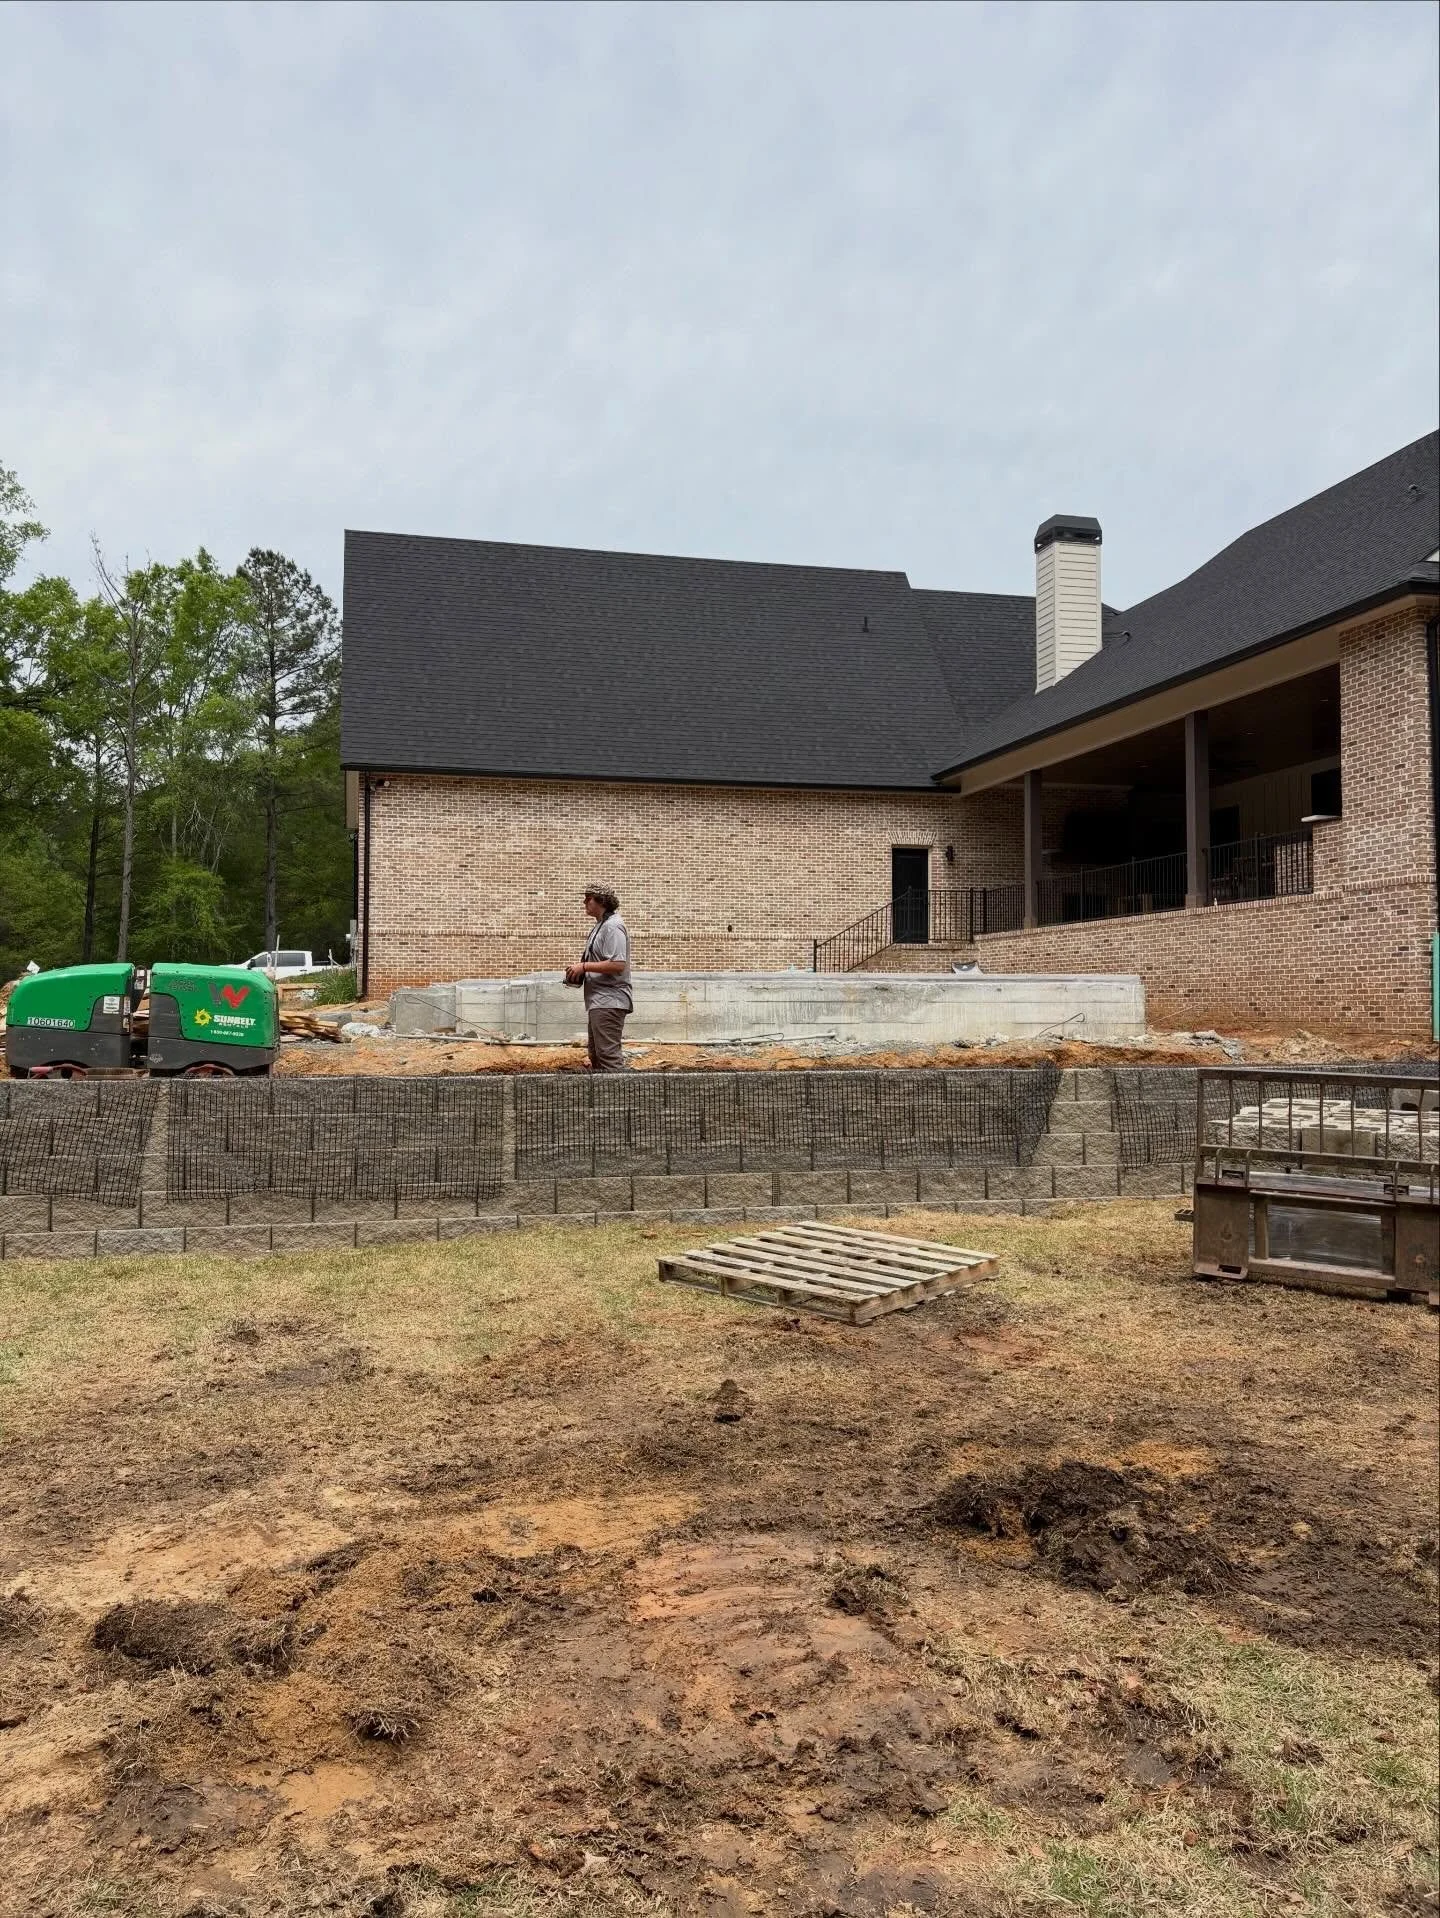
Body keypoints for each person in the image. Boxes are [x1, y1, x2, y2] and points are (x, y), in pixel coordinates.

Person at [564, 886, 632, 1071]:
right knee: (597, 1056)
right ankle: (605, 1098)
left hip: (610, 1000)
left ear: (601, 901)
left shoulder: (613, 926)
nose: (584, 902)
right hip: (599, 1001)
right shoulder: (601, 925)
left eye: (588, 898)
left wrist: (584, 967)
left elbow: (618, 964)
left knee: (608, 1058)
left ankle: (621, 1096)